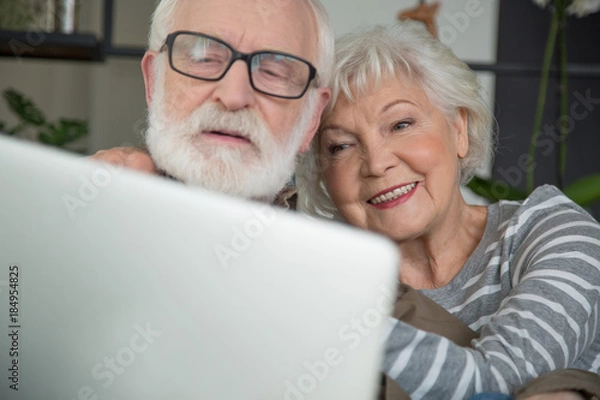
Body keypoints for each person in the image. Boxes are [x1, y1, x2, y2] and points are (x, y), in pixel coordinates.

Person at [295, 21, 600, 400]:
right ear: (322, 173)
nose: (375, 163)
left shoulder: (551, 231)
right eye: (340, 146)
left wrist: (313, 308)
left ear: (458, 129)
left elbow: (499, 384)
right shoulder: (331, 278)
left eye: (401, 124)